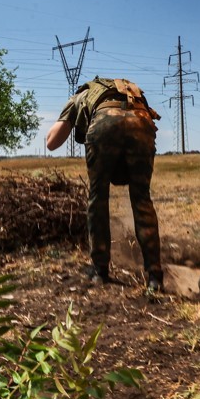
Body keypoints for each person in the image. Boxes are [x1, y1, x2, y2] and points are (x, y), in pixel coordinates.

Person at [45, 77, 163, 293]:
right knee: (142, 199)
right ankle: (155, 276)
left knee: (98, 198)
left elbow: (52, 143)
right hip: (142, 123)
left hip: (104, 124)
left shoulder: (82, 95)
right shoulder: (132, 92)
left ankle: (100, 270)